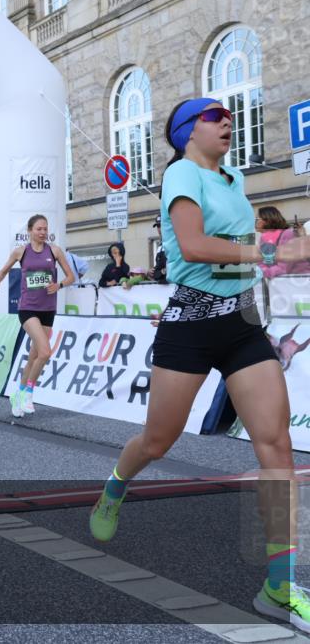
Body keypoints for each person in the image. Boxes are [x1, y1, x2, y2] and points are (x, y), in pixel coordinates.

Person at [88, 98, 310, 630]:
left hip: (242, 327)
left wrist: (286, 247)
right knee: (157, 441)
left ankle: (280, 585)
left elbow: (259, 245)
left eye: (231, 115)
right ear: (189, 131)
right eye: (217, 117)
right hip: (190, 327)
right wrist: (267, 252)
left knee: (276, 445)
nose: (229, 121)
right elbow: (191, 244)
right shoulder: (181, 174)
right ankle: (115, 487)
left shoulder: (233, 178)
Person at [0, 215, 75, 418]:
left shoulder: (54, 251)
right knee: (45, 352)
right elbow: (3, 271)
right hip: (28, 309)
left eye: (45, 229)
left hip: (48, 309)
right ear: (30, 230)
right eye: (39, 229)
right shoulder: (21, 252)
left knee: (34, 356)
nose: (43, 232)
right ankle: (28, 392)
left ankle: (17, 394)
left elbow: (71, 276)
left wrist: (59, 285)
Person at [257, 206, 310, 278]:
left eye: (257, 219)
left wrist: (260, 273)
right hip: (280, 283)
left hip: (298, 283)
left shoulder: (287, 234)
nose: (255, 222)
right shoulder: (264, 238)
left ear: (267, 220)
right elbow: (262, 263)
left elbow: (283, 268)